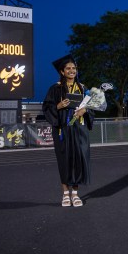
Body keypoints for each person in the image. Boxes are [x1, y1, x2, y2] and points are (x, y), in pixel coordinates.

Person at [42, 55, 94, 207]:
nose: (71, 70)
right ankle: (65, 194)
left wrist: (85, 110)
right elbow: (46, 107)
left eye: (74, 68)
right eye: (68, 68)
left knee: (78, 159)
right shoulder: (55, 88)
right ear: (62, 71)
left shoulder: (83, 89)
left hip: (79, 128)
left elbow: (92, 109)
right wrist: (58, 106)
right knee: (64, 160)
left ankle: (75, 194)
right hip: (62, 129)